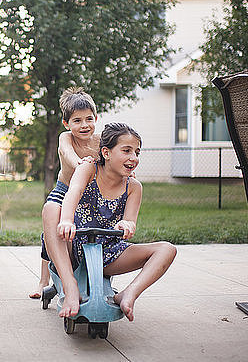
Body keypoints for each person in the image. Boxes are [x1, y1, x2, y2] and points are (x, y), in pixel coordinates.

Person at [49, 122, 176, 321]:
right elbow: (73, 193)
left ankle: (129, 293)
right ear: (106, 153)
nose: (133, 158)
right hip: (73, 244)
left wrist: (127, 225)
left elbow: (130, 221)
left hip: (107, 254)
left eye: (137, 152)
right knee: (50, 209)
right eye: (126, 150)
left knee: (167, 249)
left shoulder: (133, 187)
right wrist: (66, 220)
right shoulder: (89, 169)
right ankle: (70, 286)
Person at [29, 87, 101, 299]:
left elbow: (115, 157)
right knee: (51, 228)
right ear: (67, 123)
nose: (84, 125)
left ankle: (88, 274)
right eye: (77, 120)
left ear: (96, 118)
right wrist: (80, 164)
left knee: (89, 232)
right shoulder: (65, 138)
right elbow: (66, 153)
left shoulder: (100, 141)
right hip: (64, 191)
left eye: (89, 119)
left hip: (88, 195)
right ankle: (43, 281)